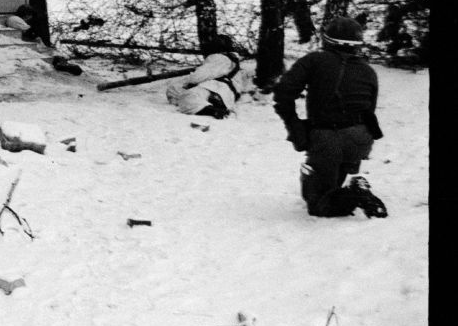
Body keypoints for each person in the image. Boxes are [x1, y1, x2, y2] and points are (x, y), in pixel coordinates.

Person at [272, 15, 389, 219]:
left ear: (328, 39)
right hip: (361, 138)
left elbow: (283, 93)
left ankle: (355, 193)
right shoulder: (368, 70)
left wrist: (294, 125)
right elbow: (370, 108)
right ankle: (354, 184)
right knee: (333, 185)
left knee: (318, 205)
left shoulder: (313, 60)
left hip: (327, 139)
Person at [166, 34, 249, 118]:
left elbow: (197, 77)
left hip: (215, 88)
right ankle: (210, 104)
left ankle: (213, 110)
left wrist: (187, 82)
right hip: (224, 93)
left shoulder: (218, 58)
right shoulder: (234, 61)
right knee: (173, 90)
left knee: (188, 97)